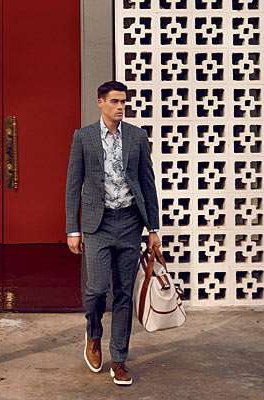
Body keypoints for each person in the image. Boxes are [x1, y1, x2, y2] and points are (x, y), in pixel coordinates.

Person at [65, 80, 161, 386]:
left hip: (131, 223)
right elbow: (72, 185)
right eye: (115, 101)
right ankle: (93, 334)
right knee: (96, 290)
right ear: (101, 102)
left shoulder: (136, 136)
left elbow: (148, 183)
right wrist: (72, 228)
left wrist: (154, 228)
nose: (121, 107)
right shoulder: (83, 137)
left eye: (124, 102)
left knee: (123, 293)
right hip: (98, 223)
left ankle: (119, 358)